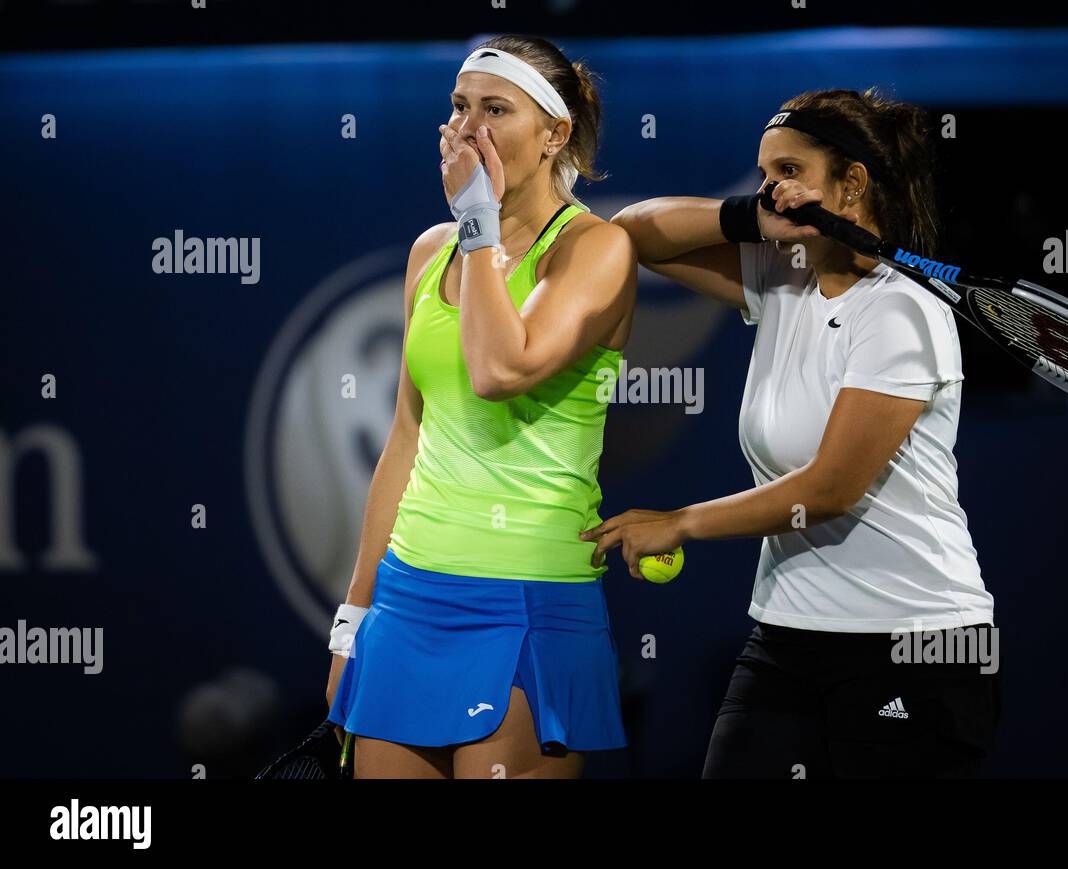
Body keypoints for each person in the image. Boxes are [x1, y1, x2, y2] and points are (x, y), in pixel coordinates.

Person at [595, 87, 1000, 778]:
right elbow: (633, 231)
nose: (770, 187)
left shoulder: (904, 314)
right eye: (763, 174)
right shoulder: (784, 280)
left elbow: (832, 487)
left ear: (852, 185)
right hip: (788, 638)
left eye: (789, 171)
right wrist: (759, 213)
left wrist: (682, 522)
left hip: (918, 644)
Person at [324, 34, 637, 779]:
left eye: (496, 110)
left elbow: (501, 368)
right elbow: (406, 436)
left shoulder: (595, 249)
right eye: (460, 108)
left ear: (554, 134)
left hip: (531, 601)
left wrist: (477, 222)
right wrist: (353, 618)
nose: (469, 129)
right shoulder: (429, 250)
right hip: (408, 598)